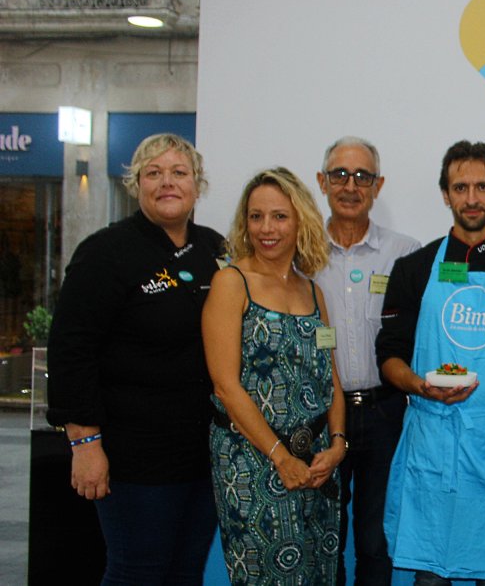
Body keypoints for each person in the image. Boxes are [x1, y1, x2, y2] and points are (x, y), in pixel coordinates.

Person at [46, 133, 223, 586]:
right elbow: (71, 350)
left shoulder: (215, 250)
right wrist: (84, 444)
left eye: (179, 173)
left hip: (202, 454)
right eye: (154, 173)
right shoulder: (105, 252)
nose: (167, 182)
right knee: (138, 572)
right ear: (136, 184)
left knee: (185, 572)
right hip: (133, 457)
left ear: (197, 185)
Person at [377, 140, 485, 586]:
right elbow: (389, 354)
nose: (471, 198)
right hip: (434, 437)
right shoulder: (414, 268)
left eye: (482, 187)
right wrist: (419, 385)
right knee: (431, 577)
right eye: (460, 187)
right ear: (445, 194)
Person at [204, 167, 348, 584]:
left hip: (317, 463)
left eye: (279, 216)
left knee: (319, 572)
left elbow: (330, 379)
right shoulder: (231, 283)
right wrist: (280, 457)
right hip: (252, 461)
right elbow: (225, 387)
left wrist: (338, 445)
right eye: (256, 216)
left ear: (300, 218)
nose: (266, 228)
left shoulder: (313, 289)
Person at [313, 136, 421, 585]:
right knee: (325, 538)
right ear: (322, 182)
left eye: (362, 176)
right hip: (319, 413)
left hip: (385, 411)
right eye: (340, 174)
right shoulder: (301, 253)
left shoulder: (406, 253)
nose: (350, 185)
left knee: (377, 542)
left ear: (378, 185)